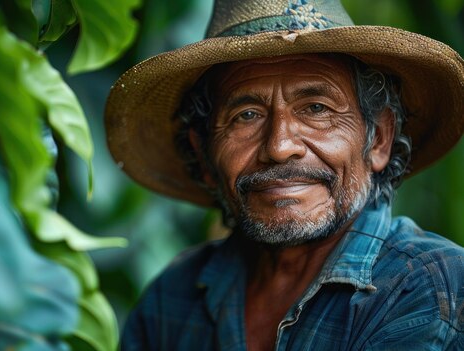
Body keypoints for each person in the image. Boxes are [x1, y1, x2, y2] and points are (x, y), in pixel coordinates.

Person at [104, 0, 464, 349]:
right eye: (246, 114)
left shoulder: (431, 285)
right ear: (203, 155)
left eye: (316, 108)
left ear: (378, 140)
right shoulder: (174, 297)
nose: (279, 146)